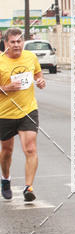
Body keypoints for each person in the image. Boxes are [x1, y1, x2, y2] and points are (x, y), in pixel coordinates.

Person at [0, 27, 46, 202]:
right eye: (12, 42)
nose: (16, 45)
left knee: (30, 148)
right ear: (6, 43)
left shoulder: (30, 57)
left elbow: (38, 75)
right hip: (4, 113)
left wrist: (40, 81)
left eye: (19, 41)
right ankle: (5, 179)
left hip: (28, 110)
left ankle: (28, 187)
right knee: (7, 151)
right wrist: (6, 88)